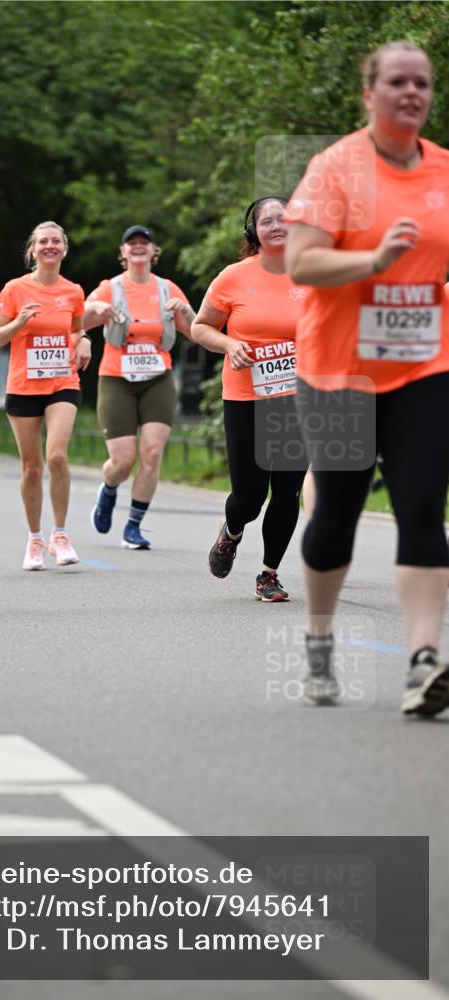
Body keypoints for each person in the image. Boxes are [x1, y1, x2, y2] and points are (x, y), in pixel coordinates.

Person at [285, 41, 449, 713]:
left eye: (421, 83)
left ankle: (422, 662)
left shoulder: (443, 168)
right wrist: (373, 260)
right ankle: (319, 644)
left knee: (420, 505)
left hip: (422, 365)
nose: (410, 92)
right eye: (396, 82)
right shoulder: (336, 168)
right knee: (337, 517)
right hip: (338, 369)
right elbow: (300, 263)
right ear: (368, 93)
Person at [191, 198, 308, 601]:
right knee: (250, 494)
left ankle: (268, 574)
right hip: (245, 396)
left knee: (288, 489)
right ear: (253, 232)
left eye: (285, 219)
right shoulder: (233, 277)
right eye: (268, 220)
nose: (277, 225)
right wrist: (229, 344)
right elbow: (200, 326)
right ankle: (232, 530)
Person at [84, 225, 195, 549]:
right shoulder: (110, 288)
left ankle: (133, 526)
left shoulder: (167, 289)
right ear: (122, 253)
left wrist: (185, 311)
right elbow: (75, 320)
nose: (137, 247)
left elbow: (196, 330)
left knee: (153, 453)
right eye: (131, 243)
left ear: (153, 251)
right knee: (122, 461)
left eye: (144, 243)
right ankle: (108, 490)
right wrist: (96, 311)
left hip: (158, 378)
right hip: (117, 379)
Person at [0, 221, 91, 570]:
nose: (49, 246)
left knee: (57, 457)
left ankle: (60, 534)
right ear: (32, 250)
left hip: (62, 382)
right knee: (31, 468)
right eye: (43, 241)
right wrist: (19, 322)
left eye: (56, 241)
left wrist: (85, 342)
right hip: (23, 387)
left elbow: (77, 330)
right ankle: (35, 539)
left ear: (64, 248)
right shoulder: (15, 289)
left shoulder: (73, 291)